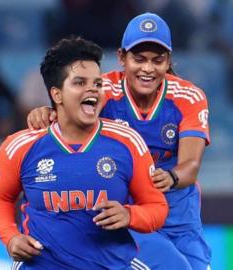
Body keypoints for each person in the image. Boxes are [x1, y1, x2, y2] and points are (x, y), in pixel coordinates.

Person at [27, 13, 212, 270]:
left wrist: (170, 178)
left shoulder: (188, 97)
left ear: (168, 61)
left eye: (157, 60)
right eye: (139, 59)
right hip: (129, 213)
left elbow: (190, 167)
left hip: (179, 217)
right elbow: (73, 113)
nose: (147, 69)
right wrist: (49, 112)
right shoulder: (106, 90)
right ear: (122, 58)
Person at [0, 36, 168, 269]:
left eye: (97, 83)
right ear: (57, 95)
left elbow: (157, 207)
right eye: (80, 82)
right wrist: (10, 237)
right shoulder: (21, 146)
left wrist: (130, 215)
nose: (92, 89)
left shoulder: (128, 142)